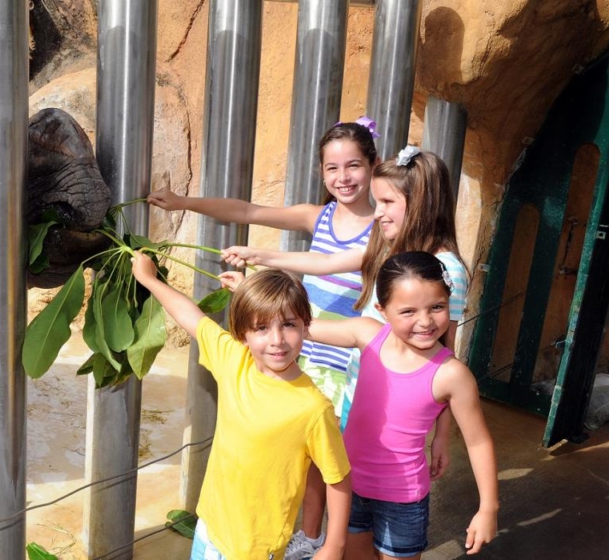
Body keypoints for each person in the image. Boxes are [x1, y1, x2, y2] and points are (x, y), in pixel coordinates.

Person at [151, 120, 379, 559]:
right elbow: (248, 212)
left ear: (374, 165)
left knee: (325, 461)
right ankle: (303, 536)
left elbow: (327, 265)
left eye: (354, 165)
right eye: (332, 168)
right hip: (298, 346)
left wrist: (263, 259)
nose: (343, 177)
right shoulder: (321, 215)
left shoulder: (383, 229)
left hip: (342, 363)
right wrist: (183, 202)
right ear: (321, 171)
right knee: (290, 455)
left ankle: (318, 540)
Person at [221, 147, 464, 472]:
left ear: (421, 202)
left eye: (388, 202)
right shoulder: (393, 249)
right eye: (378, 203)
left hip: (395, 407)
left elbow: (447, 356)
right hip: (358, 387)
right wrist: (258, 257)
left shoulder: (447, 270)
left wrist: (441, 436)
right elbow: (325, 262)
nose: (378, 213)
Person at [131, 256, 351, 560]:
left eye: (289, 325)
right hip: (208, 528)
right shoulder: (233, 360)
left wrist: (334, 545)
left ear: (306, 326)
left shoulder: (313, 408)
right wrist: (150, 280)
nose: (277, 340)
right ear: (242, 334)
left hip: (255, 549)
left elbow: (337, 477)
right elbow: (191, 316)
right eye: (262, 328)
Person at [300, 251, 498, 559]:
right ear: (383, 310)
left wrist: (488, 508)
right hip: (348, 486)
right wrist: (250, 294)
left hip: (403, 500)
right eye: (408, 311)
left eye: (437, 307)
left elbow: (478, 442)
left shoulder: (452, 375)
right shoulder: (366, 334)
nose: (425, 321)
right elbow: (299, 327)